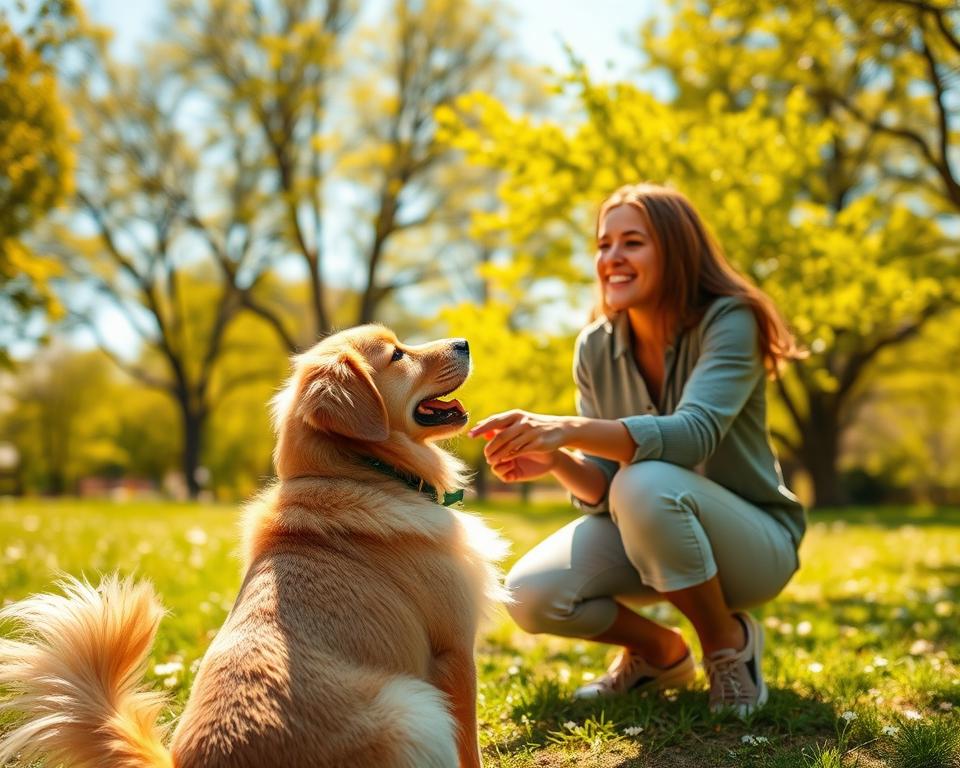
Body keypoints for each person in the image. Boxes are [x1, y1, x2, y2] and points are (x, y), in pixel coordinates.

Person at [469, 183, 806, 716]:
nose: (612, 258)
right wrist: (556, 459)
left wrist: (567, 428)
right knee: (531, 594)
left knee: (644, 481)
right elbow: (607, 489)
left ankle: (727, 644)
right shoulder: (595, 346)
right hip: (648, 527)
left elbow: (694, 434)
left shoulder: (730, 319)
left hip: (755, 549)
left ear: (676, 250)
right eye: (604, 245)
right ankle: (660, 654)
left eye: (633, 242)